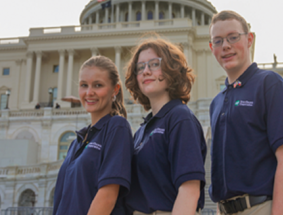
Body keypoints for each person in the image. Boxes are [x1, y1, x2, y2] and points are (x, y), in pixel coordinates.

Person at [208, 10, 283, 215]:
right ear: (211, 47)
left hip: (260, 208)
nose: (226, 46)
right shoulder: (217, 102)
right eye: (218, 40)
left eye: (233, 37)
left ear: (249, 39)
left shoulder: (269, 83)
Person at [125, 37, 207, 215]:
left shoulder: (180, 118)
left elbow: (189, 190)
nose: (146, 71)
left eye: (154, 64)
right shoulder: (142, 131)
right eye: (140, 67)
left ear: (171, 69)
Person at [53, 56, 133, 215]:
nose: (89, 93)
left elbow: (107, 197)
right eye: (84, 85)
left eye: (98, 85)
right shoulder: (77, 142)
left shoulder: (117, 127)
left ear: (115, 90)